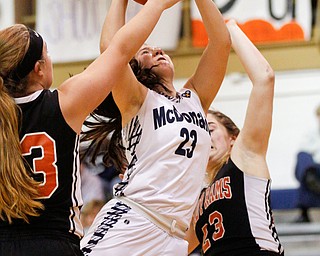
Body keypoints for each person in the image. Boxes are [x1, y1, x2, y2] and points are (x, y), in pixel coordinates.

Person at [80, 0, 230, 255]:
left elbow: (221, 43)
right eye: (146, 52)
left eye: (156, 48)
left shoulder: (195, 98)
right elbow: (110, 49)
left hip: (173, 237)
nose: (158, 49)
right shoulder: (136, 99)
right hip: (135, 219)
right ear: (136, 70)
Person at [0, 10, 147, 254]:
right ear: (39, 68)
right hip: (54, 244)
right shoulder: (64, 104)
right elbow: (119, 50)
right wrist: (158, 5)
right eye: (48, 54)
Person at [186, 20, 284, 255]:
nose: (204, 135)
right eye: (199, 130)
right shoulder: (196, 199)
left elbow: (265, 78)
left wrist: (227, 27)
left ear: (233, 138)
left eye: (209, 127)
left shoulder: (244, 157)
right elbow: (171, 246)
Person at [294, 104, 320, 223]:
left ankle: (309, 178)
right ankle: (310, 178)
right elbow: (303, 150)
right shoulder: (312, 133)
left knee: (306, 172)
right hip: (315, 168)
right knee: (302, 157)